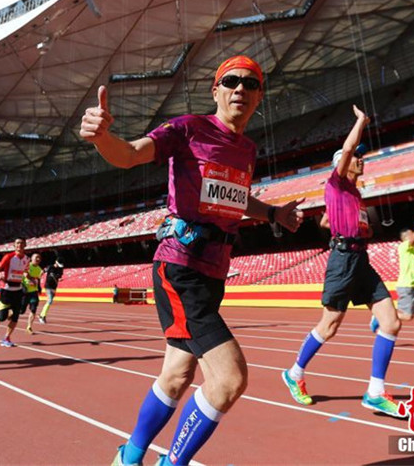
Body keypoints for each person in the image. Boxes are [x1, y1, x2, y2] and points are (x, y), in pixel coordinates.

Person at [81, 55, 304, 466]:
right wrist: (101, 139)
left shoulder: (248, 149)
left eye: (251, 84)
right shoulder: (189, 129)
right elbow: (129, 154)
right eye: (231, 81)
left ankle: (127, 458)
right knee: (229, 379)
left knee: (177, 375)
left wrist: (273, 214)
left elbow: (235, 200)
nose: (241, 89)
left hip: (213, 274)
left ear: (259, 98)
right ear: (215, 91)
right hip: (179, 265)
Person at [281, 106, 405, 418]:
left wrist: (350, 226)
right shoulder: (336, 184)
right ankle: (294, 373)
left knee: (391, 321)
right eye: (357, 158)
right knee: (330, 325)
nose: (362, 159)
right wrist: (361, 121)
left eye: (362, 157)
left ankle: (375, 392)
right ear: (343, 165)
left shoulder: (353, 194)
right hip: (342, 261)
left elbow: (325, 220)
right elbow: (349, 148)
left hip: (360, 259)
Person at [375, 217, 414, 351]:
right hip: (406, 286)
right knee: (407, 316)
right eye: (413, 234)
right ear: (406, 237)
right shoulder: (404, 246)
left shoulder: (413, 247)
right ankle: (379, 317)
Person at [0, 238, 30, 347]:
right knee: (3, 317)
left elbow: (25, 271)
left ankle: (6, 338)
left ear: (25, 245)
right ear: (14, 245)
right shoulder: (8, 257)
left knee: (16, 316)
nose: (19, 245)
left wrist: (28, 278)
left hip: (18, 290)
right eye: (17, 243)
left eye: (21, 243)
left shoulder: (27, 259)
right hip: (7, 290)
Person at [21, 253, 43, 334]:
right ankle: (10, 312)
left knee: (33, 309)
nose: (38, 259)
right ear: (31, 259)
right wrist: (31, 281)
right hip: (25, 291)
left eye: (39, 258)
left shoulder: (39, 269)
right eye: (36, 257)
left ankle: (29, 327)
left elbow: (38, 279)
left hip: (34, 292)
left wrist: (39, 287)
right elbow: (25, 275)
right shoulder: (27, 266)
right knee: (21, 311)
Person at [38, 257, 63, 324]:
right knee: (50, 300)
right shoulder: (50, 267)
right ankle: (42, 316)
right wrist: (39, 277)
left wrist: (59, 279)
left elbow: (59, 276)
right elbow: (42, 271)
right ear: (56, 262)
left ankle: (42, 314)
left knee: (49, 301)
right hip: (48, 286)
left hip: (54, 287)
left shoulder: (60, 269)